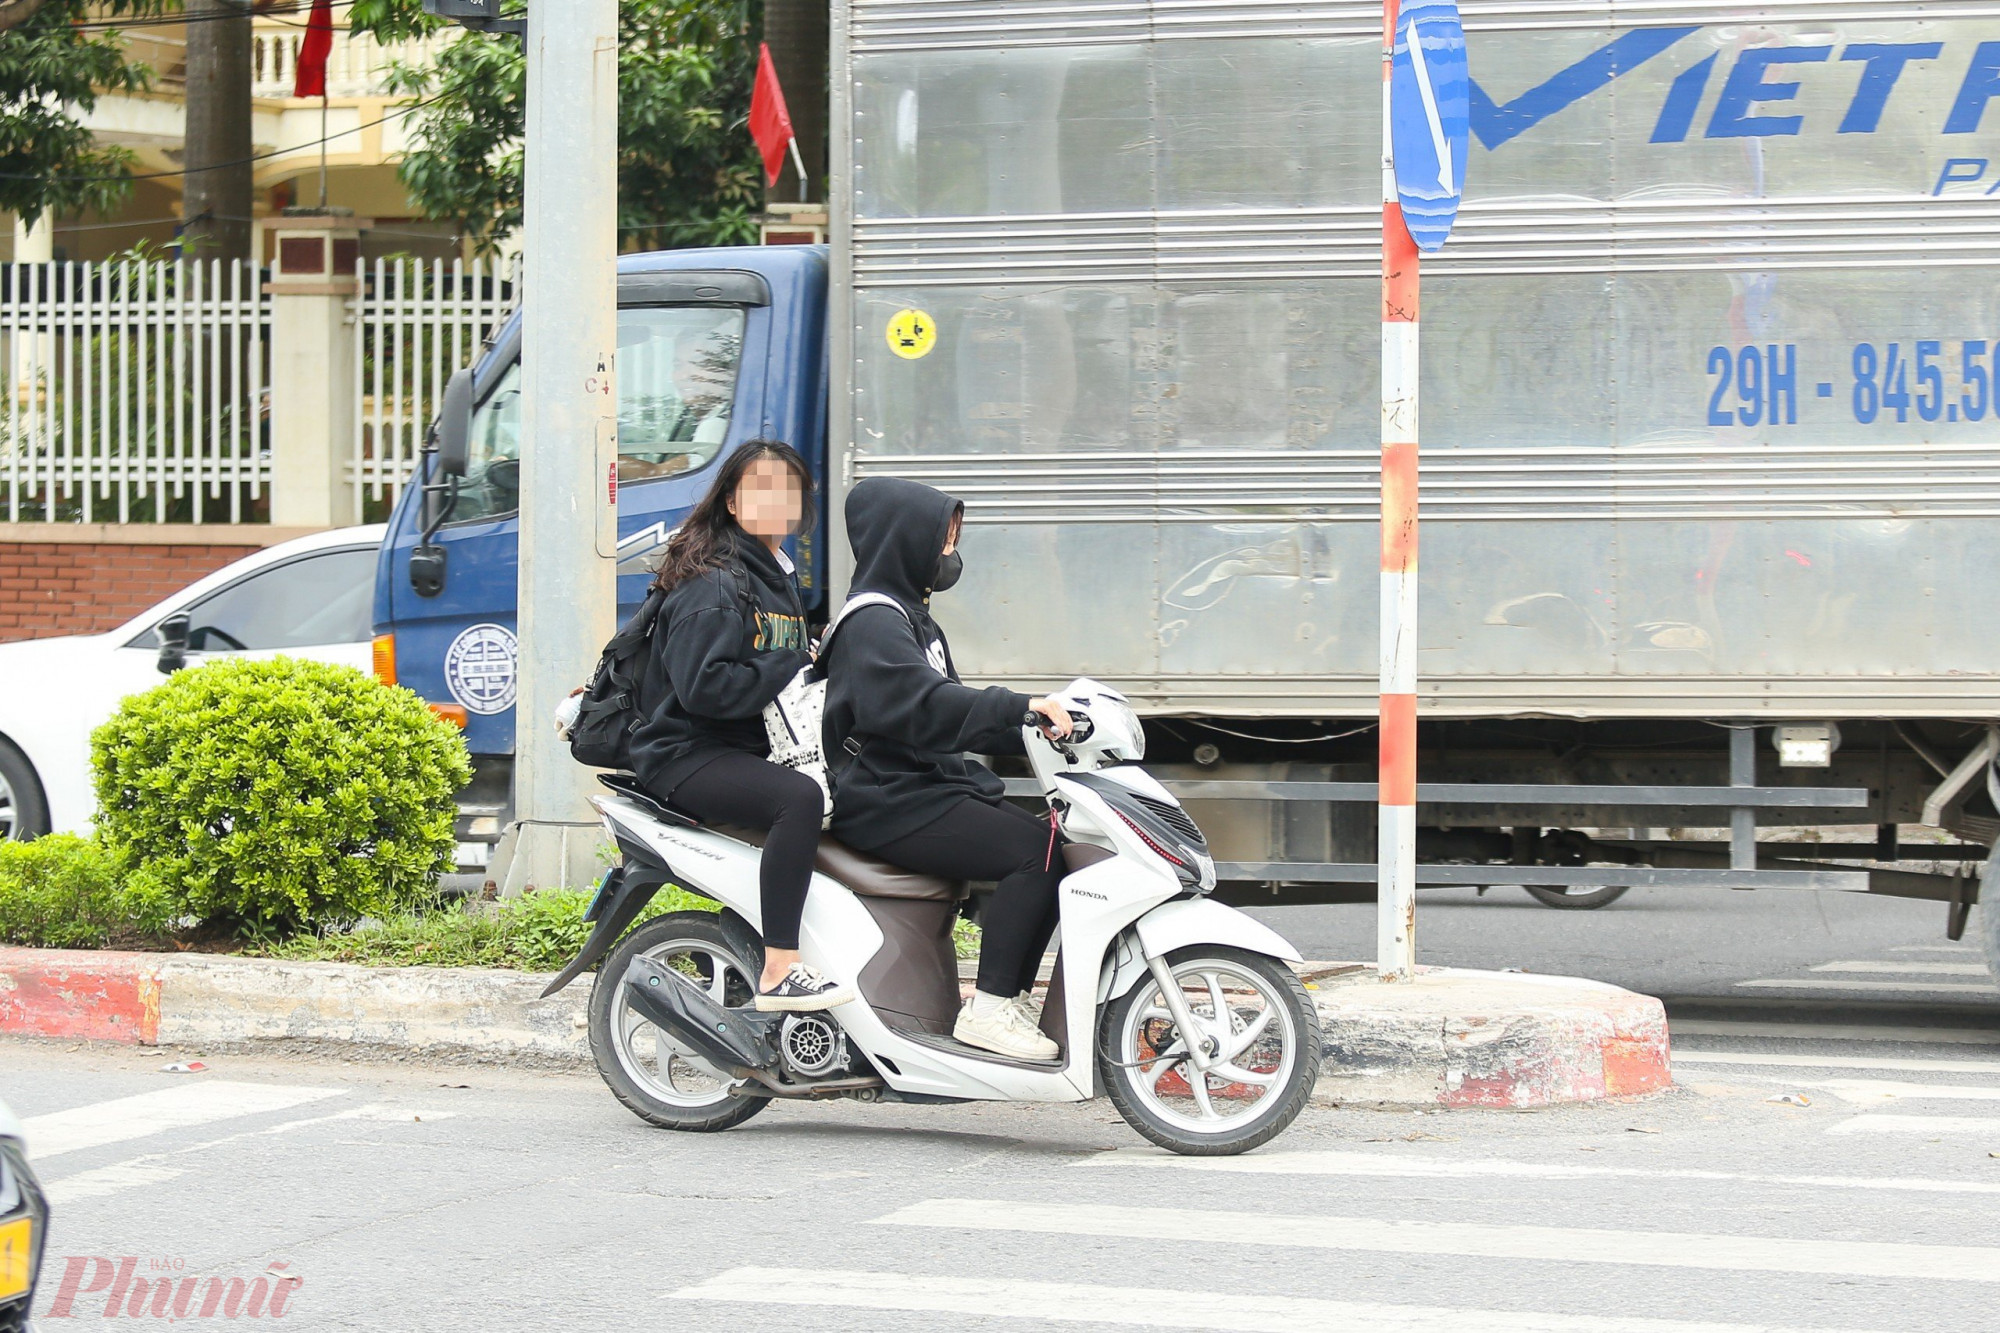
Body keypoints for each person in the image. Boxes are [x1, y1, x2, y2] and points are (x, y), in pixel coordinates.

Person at [820, 477, 1075, 1061]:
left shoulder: (911, 617)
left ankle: (1003, 998)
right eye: (943, 537)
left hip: (915, 788)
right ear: (906, 540)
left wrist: (1026, 722)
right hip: (886, 800)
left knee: (1049, 844)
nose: (950, 552)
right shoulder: (874, 622)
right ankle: (988, 1010)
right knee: (1031, 856)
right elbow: (922, 706)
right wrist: (1018, 706)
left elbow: (945, 713)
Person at [628, 439, 850, 1012]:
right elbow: (707, 689)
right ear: (732, 501)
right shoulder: (716, 582)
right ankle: (780, 967)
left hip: (735, 746)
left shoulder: (774, 575)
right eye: (761, 487)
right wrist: (794, 658)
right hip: (685, 752)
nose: (777, 499)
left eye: (789, 489)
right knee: (797, 800)